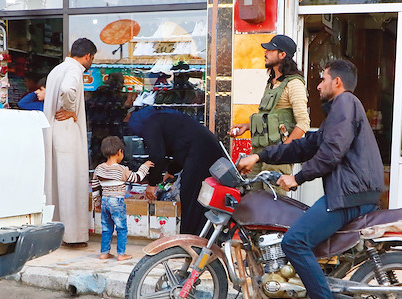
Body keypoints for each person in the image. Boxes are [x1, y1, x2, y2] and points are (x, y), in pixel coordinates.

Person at [238, 59, 384, 299]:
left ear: (337, 82)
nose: (317, 85)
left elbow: (331, 152)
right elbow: (306, 145)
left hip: (350, 196)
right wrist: (261, 155)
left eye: (323, 79)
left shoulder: (346, 103)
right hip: (350, 193)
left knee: (294, 241)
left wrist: (298, 178)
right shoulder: (339, 112)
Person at [228, 34, 310, 195]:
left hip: (278, 155)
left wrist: (285, 150)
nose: (265, 52)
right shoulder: (272, 82)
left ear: (282, 55)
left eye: (271, 50)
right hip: (259, 152)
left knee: (273, 202)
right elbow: (269, 116)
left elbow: (303, 123)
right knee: (251, 196)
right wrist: (246, 126)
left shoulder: (294, 84)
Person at [128, 106, 224, 235]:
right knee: (200, 197)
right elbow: (180, 144)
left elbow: (157, 155)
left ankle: (191, 240)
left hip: (200, 152)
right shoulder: (163, 118)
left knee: (190, 195)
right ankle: (204, 239)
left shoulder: (150, 125)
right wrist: (171, 171)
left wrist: (152, 184)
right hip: (207, 147)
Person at [43, 38, 97, 248]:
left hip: (55, 130)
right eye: (92, 58)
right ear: (87, 56)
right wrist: (70, 108)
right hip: (66, 130)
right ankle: (72, 236)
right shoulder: (74, 70)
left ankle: (55, 234)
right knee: (71, 182)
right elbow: (67, 90)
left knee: (57, 182)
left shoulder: (57, 69)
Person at [91, 136, 154, 261]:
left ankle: (104, 252)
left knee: (107, 228)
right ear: (120, 152)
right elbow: (137, 178)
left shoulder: (99, 169)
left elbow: (95, 187)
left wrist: (97, 203)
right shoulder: (121, 170)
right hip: (117, 202)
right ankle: (121, 254)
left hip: (105, 202)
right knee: (121, 228)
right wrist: (145, 166)